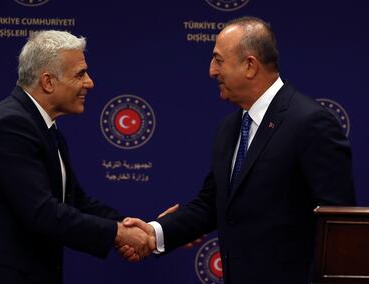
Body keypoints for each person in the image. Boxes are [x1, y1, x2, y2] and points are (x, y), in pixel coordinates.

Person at [123, 16, 356, 284]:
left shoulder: (310, 123)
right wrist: (155, 232)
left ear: (249, 65)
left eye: (219, 60)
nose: (212, 70)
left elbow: (339, 228)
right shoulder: (231, 127)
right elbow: (211, 204)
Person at [0, 30, 154, 284]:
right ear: (48, 82)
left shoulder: (42, 127)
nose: (90, 83)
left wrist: (129, 225)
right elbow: (43, 213)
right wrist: (119, 233)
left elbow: (75, 202)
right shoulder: (9, 127)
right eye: (80, 74)